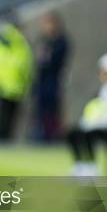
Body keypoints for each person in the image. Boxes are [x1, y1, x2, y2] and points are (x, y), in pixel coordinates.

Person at [0, 18, 34, 141]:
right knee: (9, 116)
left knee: (1, 116)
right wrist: (27, 82)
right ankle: (4, 140)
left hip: (0, 84)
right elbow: (26, 65)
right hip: (15, 84)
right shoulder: (21, 42)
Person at [34, 12, 69, 142]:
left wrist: (48, 57)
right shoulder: (43, 40)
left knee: (53, 107)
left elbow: (56, 60)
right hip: (42, 80)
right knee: (41, 108)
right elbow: (39, 60)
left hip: (54, 79)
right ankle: (43, 133)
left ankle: (53, 134)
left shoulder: (61, 40)